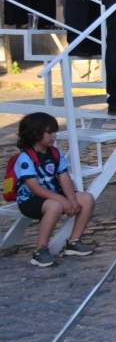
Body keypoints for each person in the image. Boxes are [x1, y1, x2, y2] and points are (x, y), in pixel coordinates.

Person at [12, 112, 95, 267]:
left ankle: (74, 242)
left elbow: (64, 178)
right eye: (49, 132)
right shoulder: (25, 158)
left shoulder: (56, 153)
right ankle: (40, 251)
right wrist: (63, 200)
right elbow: (34, 187)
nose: (54, 135)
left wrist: (71, 199)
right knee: (55, 205)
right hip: (30, 200)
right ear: (35, 134)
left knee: (87, 199)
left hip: (53, 194)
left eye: (54, 131)